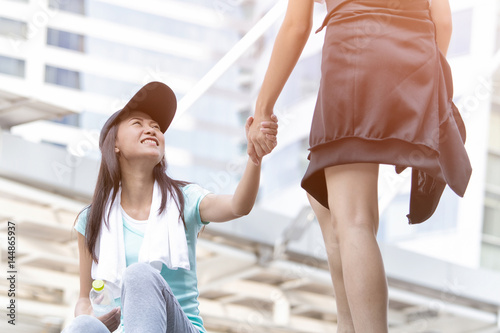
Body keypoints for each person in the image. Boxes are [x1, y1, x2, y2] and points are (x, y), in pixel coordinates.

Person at [248, 0, 472, 331]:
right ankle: (348, 326)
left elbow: (296, 26)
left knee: (353, 218)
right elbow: (444, 20)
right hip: (416, 55)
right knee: (325, 199)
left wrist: (263, 109)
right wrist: (425, 84)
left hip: (353, 54)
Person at [62, 81, 278, 333]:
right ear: (115, 144)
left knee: (139, 276)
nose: (151, 130)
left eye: (156, 127)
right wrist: (92, 320)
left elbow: (238, 205)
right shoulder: (91, 220)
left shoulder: (184, 200)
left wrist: (254, 157)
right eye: (138, 124)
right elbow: (84, 298)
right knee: (80, 327)